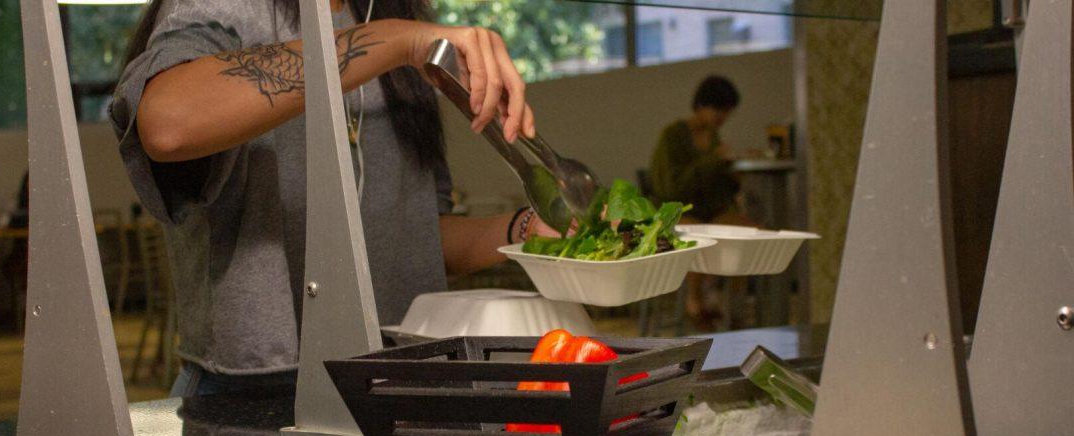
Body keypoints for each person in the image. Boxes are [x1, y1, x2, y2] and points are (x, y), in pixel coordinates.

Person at [113, 0, 558, 397]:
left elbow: (415, 235)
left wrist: (524, 230)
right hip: (255, 392)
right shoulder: (233, 9)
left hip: (394, 379)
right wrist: (401, 42)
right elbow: (167, 123)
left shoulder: (388, 14)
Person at [648, 76, 749, 329]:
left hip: (710, 210)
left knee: (745, 233)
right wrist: (713, 161)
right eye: (718, 110)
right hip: (676, 209)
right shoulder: (672, 136)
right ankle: (696, 301)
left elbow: (715, 186)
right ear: (702, 105)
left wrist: (732, 174)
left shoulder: (714, 138)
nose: (721, 117)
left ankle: (733, 306)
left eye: (726, 112)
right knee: (695, 236)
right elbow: (671, 187)